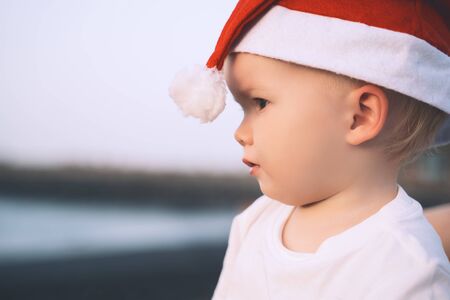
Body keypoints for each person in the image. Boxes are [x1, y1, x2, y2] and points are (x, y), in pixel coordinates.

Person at [168, 0, 450, 299]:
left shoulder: (408, 273)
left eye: (260, 103)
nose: (240, 133)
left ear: (360, 116)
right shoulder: (254, 223)